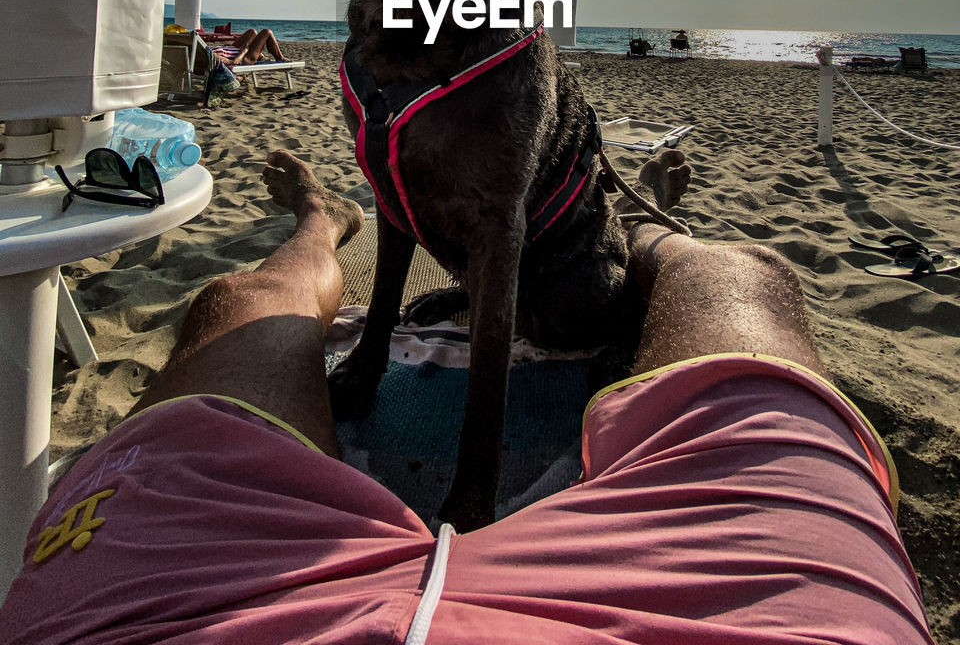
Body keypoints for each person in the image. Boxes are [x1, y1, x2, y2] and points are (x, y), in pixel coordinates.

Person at [0, 151, 934, 645]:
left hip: (181, 614)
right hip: (727, 613)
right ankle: (648, 225)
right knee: (743, 278)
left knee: (240, 306)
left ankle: (322, 229)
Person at [212, 26, 287, 67]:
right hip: (245, 58)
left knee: (252, 32)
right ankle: (280, 58)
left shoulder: (204, 50)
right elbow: (233, 62)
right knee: (267, 32)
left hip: (233, 49)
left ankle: (260, 56)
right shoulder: (211, 56)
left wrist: (226, 47)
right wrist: (244, 51)